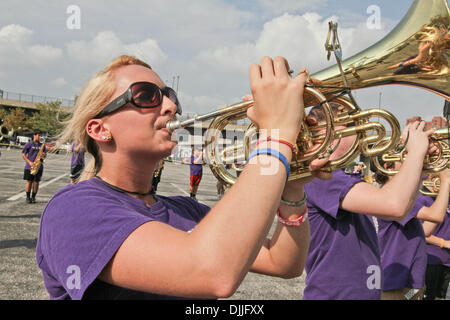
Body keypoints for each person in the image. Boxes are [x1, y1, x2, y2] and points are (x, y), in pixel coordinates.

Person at [35, 54, 328, 300]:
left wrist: (291, 191)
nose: (171, 106)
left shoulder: (185, 210)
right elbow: (212, 273)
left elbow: (284, 263)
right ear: (99, 129)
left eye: (169, 95)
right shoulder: (72, 209)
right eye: (146, 95)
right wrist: (276, 137)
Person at [303, 106, 436, 300]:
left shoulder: (338, 177)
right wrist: (415, 152)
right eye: (353, 125)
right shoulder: (322, 179)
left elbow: (404, 205)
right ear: (328, 130)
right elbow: (394, 206)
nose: (361, 132)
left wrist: (418, 162)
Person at [375, 163, 449, 300]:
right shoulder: (394, 196)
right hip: (395, 283)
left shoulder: (402, 195)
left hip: (412, 283)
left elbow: (425, 230)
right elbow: (436, 215)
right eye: (404, 158)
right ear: (388, 167)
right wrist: (446, 180)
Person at [422, 178, 450, 300]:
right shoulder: (423, 198)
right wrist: (444, 243)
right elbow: (420, 232)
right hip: (431, 259)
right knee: (420, 295)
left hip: (446, 260)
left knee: (440, 296)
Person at [22, 130, 46, 203]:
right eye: (38, 135)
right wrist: (29, 162)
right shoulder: (29, 144)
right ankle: (27, 197)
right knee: (29, 181)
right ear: (34, 135)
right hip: (29, 166)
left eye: (40, 135)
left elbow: (44, 157)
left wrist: (43, 156)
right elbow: (23, 154)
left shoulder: (42, 145)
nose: (39, 137)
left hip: (39, 167)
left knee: (36, 182)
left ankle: (33, 197)